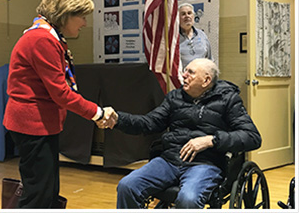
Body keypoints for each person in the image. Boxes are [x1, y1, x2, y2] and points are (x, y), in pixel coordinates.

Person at [3, 0, 114, 208]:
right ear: (65, 14)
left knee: (48, 189)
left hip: (40, 123)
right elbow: (61, 93)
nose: (84, 22)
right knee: (38, 194)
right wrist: (98, 112)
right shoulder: (41, 39)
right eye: (81, 16)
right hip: (31, 125)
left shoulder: (48, 36)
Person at [98, 58, 262, 209]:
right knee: (127, 186)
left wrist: (211, 140)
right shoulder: (174, 97)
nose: (184, 75)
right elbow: (149, 123)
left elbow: (252, 137)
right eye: (185, 71)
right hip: (169, 161)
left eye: (190, 72)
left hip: (205, 164)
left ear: (206, 80)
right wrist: (119, 119)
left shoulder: (228, 100)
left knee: (188, 199)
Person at [179, 3, 212, 69]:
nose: (187, 16)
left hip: (201, 77)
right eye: (183, 14)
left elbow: (209, 59)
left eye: (189, 13)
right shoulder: (173, 38)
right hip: (182, 77)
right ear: (177, 18)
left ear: (193, 16)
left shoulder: (202, 35)